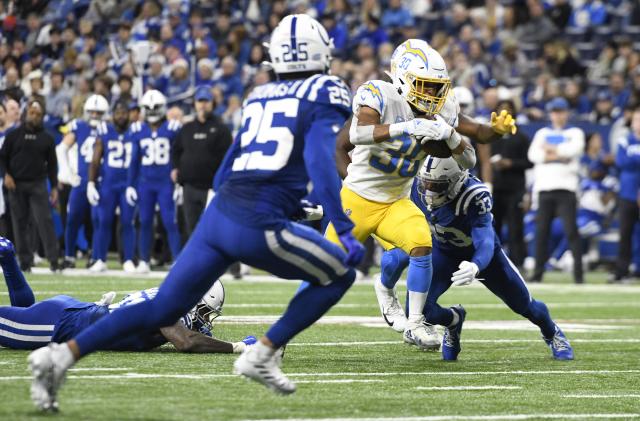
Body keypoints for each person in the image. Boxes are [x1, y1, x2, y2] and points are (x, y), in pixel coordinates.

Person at [27, 14, 364, 408]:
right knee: (340, 274)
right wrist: (341, 225)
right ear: (321, 51)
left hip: (220, 215)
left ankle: (60, 357)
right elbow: (319, 160)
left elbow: (227, 169)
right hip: (257, 218)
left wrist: (279, 202)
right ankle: (263, 352)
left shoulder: (260, 95)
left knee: (161, 308)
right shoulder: (326, 89)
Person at [331, 39, 475, 351]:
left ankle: (415, 324)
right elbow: (356, 135)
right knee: (324, 268)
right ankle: (278, 336)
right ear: (402, 79)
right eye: (424, 86)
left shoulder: (442, 110)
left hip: (397, 200)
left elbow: (470, 160)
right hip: (358, 197)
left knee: (421, 244)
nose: (432, 95)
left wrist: (451, 136)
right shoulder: (378, 93)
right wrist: (408, 127)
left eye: (436, 87)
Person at [377, 157, 574, 362]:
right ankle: (453, 320)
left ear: (455, 182)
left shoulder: (474, 196)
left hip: (481, 257)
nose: (429, 191)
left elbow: (486, 240)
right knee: (417, 310)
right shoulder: (416, 189)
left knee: (525, 305)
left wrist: (476, 265)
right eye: (426, 183)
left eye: (437, 185)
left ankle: (552, 332)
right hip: (442, 252)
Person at [0, 237, 255, 354]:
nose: (205, 319)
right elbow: (185, 341)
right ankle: (9, 259)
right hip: (65, 324)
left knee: (24, 317)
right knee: (21, 322)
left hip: (71, 312)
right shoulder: (172, 307)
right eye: (205, 311)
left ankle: (8, 259)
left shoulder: (170, 293)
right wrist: (237, 347)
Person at [527, 97, 585, 284]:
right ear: (550, 114)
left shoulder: (575, 132)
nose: (557, 115)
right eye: (554, 112)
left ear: (566, 113)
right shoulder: (542, 133)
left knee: (571, 232)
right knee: (541, 233)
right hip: (545, 189)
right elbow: (533, 155)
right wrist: (560, 153)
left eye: (560, 111)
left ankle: (578, 275)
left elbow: (574, 150)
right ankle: (537, 274)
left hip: (567, 189)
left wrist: (550, 151)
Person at [125, 90, 182, 273]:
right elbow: (134, 160)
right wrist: (130, 185)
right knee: (145, 220)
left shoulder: (173, 127)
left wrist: (179, 181)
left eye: (155, 107)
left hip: (165, 182)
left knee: (169, 221)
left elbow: (179, 156)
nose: (151, 111)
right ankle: (144, 259)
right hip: (145, 183)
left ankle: (177, 259)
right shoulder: (137, 130)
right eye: (148, 108)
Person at [0, 98, 59, 272]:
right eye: (32, 113)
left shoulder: (47, 138)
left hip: (37, 183)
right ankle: (25, 261)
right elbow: (2, 158)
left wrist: (54, 186)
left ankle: (54, 260)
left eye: (38, 115)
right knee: (20, 222)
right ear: (26, 114)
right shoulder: (13, 135)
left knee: (44, 220)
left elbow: (53, 165)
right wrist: (6, 175)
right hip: (16, 184)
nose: (35, 117)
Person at [57, 95, 109, 270]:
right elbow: (61, 149)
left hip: (100, 182)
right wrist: (68, 173)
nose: (94, 115)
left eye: (98, 112)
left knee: (97, 220)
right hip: (81, 182)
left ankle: (96, 257)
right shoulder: (79, 126)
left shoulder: (109, 129)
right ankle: (69, 256)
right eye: (91, 112)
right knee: (72, 220)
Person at [171, 86, 232, 237]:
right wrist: (175, 168)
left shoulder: (221, 129)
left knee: (213, 230)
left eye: (206, 101)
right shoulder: (187, 128)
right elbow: (175, 150)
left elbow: (228, 158)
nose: (203, 105)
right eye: (200, 101)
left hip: (211, 188)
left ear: (213, 103)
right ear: (195, 104)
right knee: (191, 228)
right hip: (189, 187)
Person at [86, 100, 136, 272]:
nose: (121, 116)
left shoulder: (135, 131)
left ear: (129, 114)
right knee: (104, 221)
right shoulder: (104, 130)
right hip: (108, 184)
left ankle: (128, 259)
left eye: (124, 112)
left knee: (127, 222)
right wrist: (91, 183)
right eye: (118, 113)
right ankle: (100, 258)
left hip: (128, 185)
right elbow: (95, 159)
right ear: (113, 115)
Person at [490, 100, 532, 268]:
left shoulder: (521, 136)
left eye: (508, 110)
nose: (505, 112)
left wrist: (511, 164)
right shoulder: (490, 134)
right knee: (493, 228)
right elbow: (480, 161)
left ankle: (518, 264)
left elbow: (529, 162)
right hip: (494, 188)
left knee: (516, 228)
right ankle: (493, 265)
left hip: (515, 188)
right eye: (501, 109)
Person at [611, 106, 640, 282]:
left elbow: (629, 162)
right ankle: (621, 271)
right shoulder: (625, 140)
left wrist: (633, 160)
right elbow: (621, 162)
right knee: (625, 234)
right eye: (637, 120)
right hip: (627, 194)